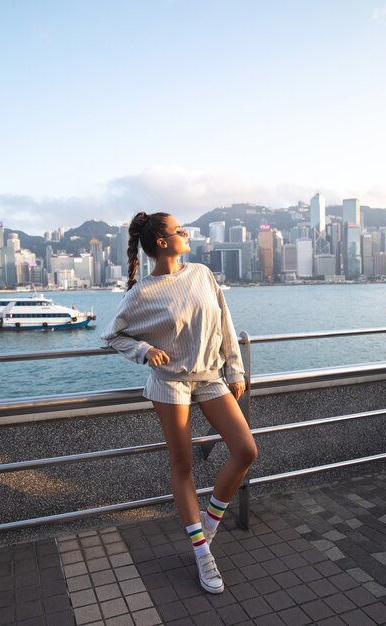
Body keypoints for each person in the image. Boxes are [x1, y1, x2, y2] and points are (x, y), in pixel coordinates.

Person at [101, 211, 257, 594]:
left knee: (246, 451)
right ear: (162, 242)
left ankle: (209, 525)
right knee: (183, 463)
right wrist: (142, 350)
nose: (186, 234)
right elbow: (111, 336)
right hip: (170, 384)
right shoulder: (141, 293)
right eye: (179, 230)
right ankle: (203, 554)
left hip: (209, 378)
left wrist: (235, 371)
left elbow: (225, 322)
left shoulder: (201, 273)